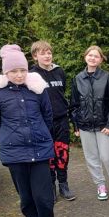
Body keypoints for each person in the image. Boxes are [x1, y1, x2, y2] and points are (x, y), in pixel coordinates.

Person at [0, 44, 61, 217]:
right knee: (27, 199)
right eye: (14, 71)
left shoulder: (37, 89)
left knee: (44, 197)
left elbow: (48, 116)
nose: (19, 75)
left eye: (22, 70)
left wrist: (41, 134)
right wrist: (7, 137)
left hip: (40, 151)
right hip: (15, 155)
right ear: (6, 72)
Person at [70, 45, 109, 201]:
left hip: (103, 126)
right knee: (91, 158)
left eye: (96, 56)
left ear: (101, 60)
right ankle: (100, 184)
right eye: (90, 55)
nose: (93, 58)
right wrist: (76, 125)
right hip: (85, 126)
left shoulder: (106, 77)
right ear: (85, 57)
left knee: (107, 156)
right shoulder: (78, 78)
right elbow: (74, 104)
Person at [30, 40, 75, 201]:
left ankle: (63, 184)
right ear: (35, 56)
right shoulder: (32, 75)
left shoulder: (59, 72)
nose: (47, 56)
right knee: (47, 154)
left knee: (62, 152)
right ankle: (50, 186)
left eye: (49, 52)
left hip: (62, 120)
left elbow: (62, 95)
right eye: (43, 53)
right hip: (43, 122)